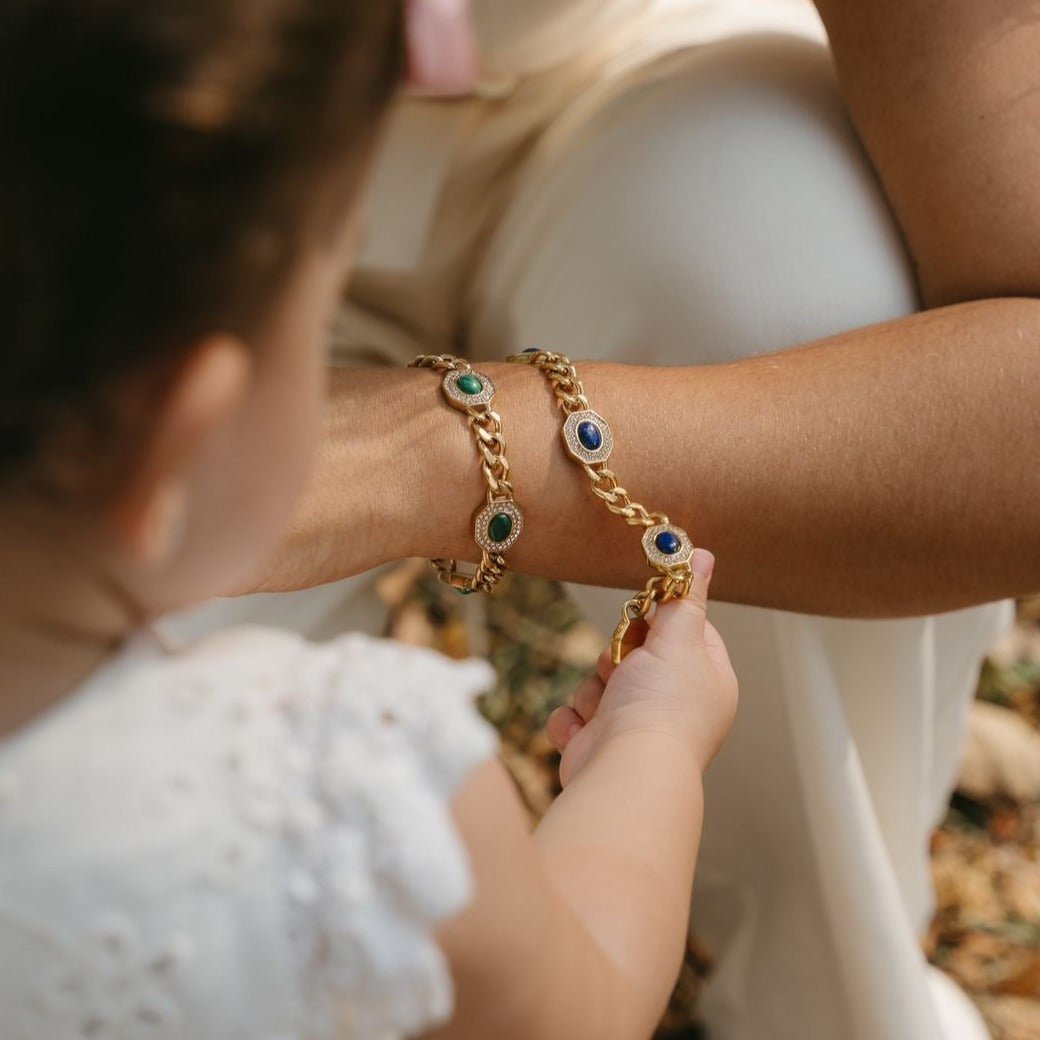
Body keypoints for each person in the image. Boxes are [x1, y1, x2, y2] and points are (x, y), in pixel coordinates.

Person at [216, 1, 1039, 1037]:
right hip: (124, 208)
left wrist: (430, 453)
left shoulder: (384, 771)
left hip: (611, 93)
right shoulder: (382, 770)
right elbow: (573, 1003)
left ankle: (830, 995)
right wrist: (650, 747)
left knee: (786, 276)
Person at [0, 3, 739, 1038]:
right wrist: (653, 746)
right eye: (316, 332)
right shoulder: (337, 791)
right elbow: (587, 998)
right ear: (184, 432)